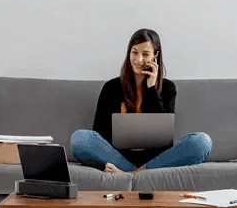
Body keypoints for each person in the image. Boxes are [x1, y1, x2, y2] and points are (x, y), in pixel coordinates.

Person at [71, 29, 212, 173]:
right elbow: (99, 133)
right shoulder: (111, 87)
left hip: (157, 158)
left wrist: (152, 89)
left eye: (145, 54)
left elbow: (164, 134)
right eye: (134, 52)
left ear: (155, 56)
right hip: (118, 156)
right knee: (80, 138)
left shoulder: (167, 87)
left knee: (201, 142)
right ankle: (137, 172)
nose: (138, 59)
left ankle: (133, 173)